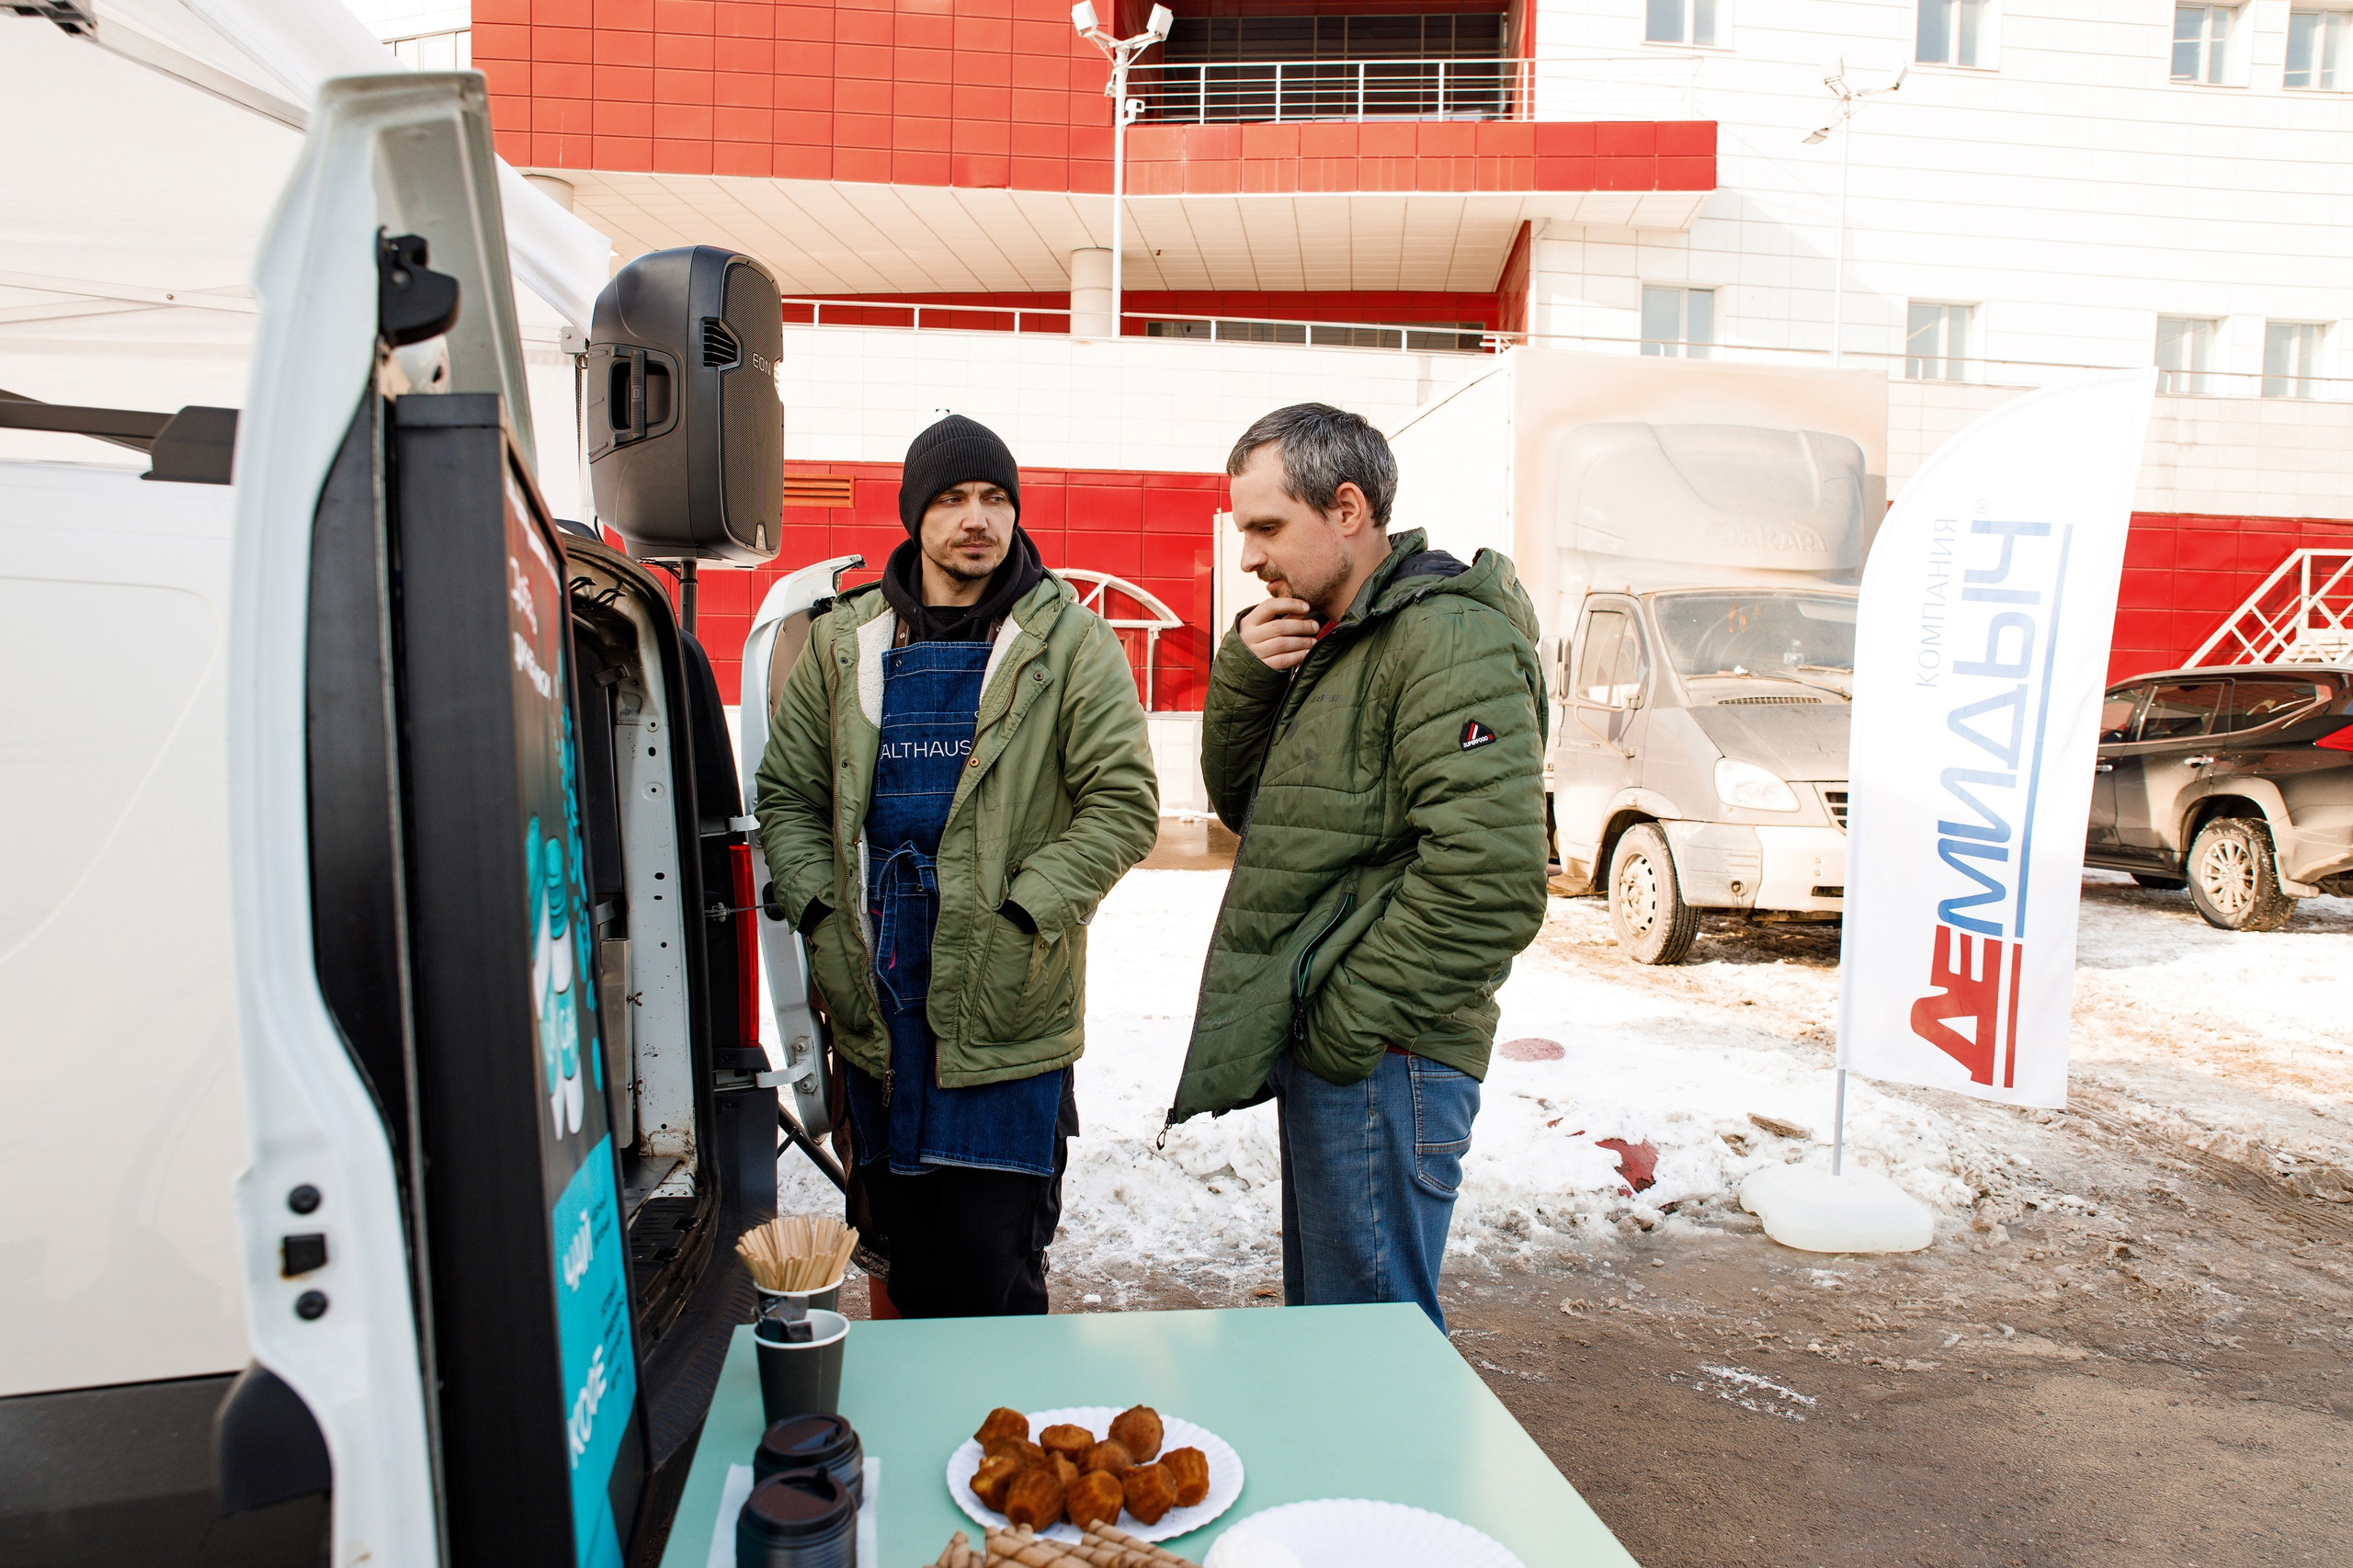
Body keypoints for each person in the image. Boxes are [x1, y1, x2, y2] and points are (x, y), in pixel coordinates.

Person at [755, 415, 1158, 1316]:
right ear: (913, 515)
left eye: (993, 498)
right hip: (875, 996)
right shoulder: (843, 641)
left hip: (1007, 999)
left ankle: (1001, 1449)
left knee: (991, 1266)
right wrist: (821, 911)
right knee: (896, 1257)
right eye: (950, 498)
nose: (976, 517)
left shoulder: (1069, 643)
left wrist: (1022, 914)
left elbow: (1123, 804)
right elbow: (785, 795)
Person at [1166, 403, 1549, 1332]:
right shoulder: (1336, 637)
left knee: (1368, 1347)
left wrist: (1345, 1017)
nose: (1249, 558)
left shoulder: (1442, 637)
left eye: (1266, 526)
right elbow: (1251, 807)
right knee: (1335, 1338)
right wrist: (1249, 676)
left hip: (1387, 1055)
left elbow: (1490, 878)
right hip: (1349, 1050)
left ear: (1346, 509)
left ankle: (1391, 1484)